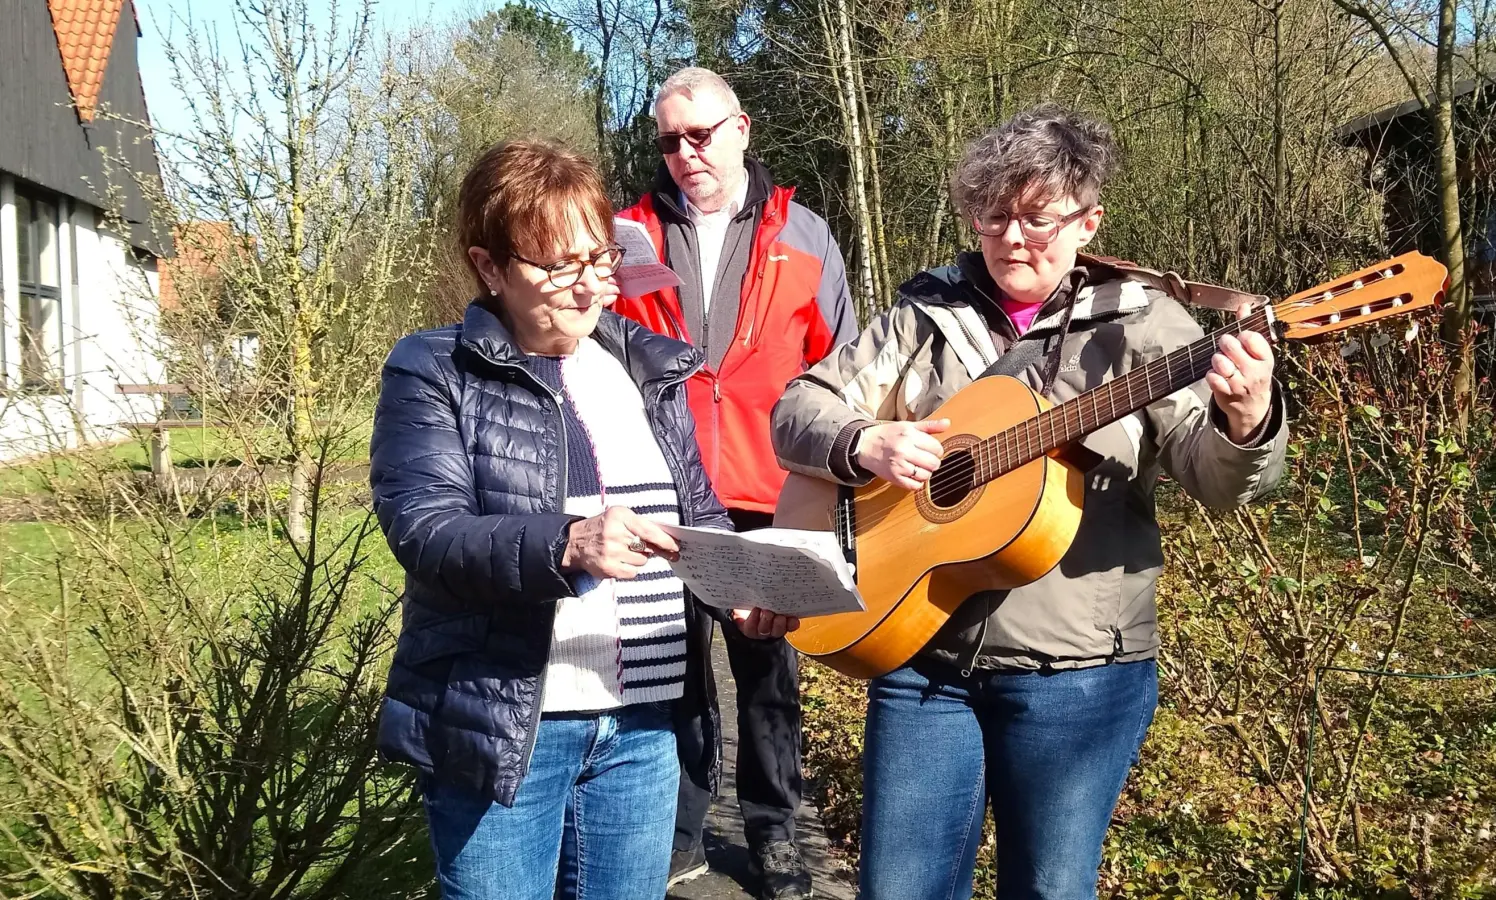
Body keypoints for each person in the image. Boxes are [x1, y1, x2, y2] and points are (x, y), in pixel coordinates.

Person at [769, 106, 1288, 900]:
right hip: (922, 660)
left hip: (1075, 672)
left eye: (1038, 220)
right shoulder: (923, 315)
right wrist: (863, 443)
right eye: (994, 217)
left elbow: (1217, 480)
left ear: (1088, 223)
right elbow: (800, 408)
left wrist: (1247, 417)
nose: (1013, 238)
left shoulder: (1145, 326)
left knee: (1047, 890)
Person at [369, 137, 796, 900]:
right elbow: (425, 529)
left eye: (597, 260)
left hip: (642, 730)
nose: (586, 287)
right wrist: (568, 543)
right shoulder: (433, 369)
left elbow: (698, 516)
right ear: (490, 266)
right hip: (507, 728)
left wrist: (740, 590)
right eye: (556, 265)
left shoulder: (649, 369)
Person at [613, 67, 857, 899]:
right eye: (670, 141)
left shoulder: (808, 237)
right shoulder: (624, 236)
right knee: (671, 671)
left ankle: (775, 833)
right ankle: (678, 830)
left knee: (767, 676)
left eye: (701, 135)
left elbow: (841, 373)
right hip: (662, 491)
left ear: (742, 128)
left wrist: (831, 486)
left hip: (769, 490)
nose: (686, 154)